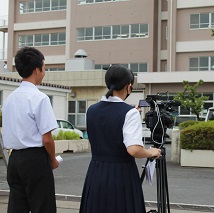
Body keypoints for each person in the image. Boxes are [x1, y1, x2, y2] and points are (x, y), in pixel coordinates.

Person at [79, 65, 161, 213]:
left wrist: (131, 113)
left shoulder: (91, 110)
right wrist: (150, 152)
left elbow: (107, 126)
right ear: (128, 86)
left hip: (96, 172)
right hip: (121, 175)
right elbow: (134, 149)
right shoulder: (129, 113)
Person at [2, 47, 59, 213]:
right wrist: (53, 159)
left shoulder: (10, 99)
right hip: (35, 160)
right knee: (43, 207)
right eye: (44, 67)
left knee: (16, 208)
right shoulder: (39, 98)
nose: (44, 71)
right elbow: (47, 138)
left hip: (14, 159)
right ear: (37, 70)